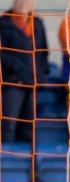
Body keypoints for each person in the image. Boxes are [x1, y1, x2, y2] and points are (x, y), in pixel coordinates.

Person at [0, 0, 47, 143]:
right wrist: (18, 69)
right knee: (8, 124)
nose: (24, 4)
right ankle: (7, 160)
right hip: (13, 81)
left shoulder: (37, 23)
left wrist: (40, 74)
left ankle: (29, 163)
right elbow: (3, 54)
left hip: (32, 81)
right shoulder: (4, 22)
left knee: (29, 125)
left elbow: (43, 51)